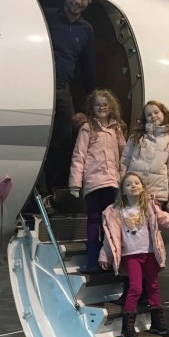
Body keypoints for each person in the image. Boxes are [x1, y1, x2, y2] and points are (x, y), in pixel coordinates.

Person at [99, 172, 169, 337]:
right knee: (136, 288)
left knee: (153, 286)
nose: (133, 186)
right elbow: (110, 239)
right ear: (123, 191)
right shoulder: (116, 211)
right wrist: (105, 256)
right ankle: (127, 327)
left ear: (143, 188)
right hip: (131, 256)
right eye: (128, 184)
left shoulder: (150, 208)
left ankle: (157, 323)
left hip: (150, 253)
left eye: (137, 183)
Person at [43, 0, 97, 197]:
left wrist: (92, 103)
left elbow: (88, 67)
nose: (78, 1)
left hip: (61, 88)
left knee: (63, 139)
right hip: (41, 84)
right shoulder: (47, 17)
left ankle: (48, 188)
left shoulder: (86, 30)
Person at [69, 89, 126, 272]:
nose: (102, 107)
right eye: (98, 104)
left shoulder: (116, 130)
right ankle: (93, 260)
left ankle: (108, 258)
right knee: (94, 220)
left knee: (110, 221)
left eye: (105, 104)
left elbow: (124, 155)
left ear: (111, 107)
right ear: (92, 108)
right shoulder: (87, 129)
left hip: (112, 183)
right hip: (93, 182)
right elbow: (79, 156)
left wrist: (124, 179)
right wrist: (75, 183)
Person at [120, 100, 169, 216]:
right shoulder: (136, 137)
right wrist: (121, 188)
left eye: (156, 112)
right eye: (149, 115)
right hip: (133, 193)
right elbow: (124, 162)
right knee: (132, 223)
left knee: (151, 224)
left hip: (156, 195)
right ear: (145, 118)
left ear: (164, 113)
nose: (153, 116)